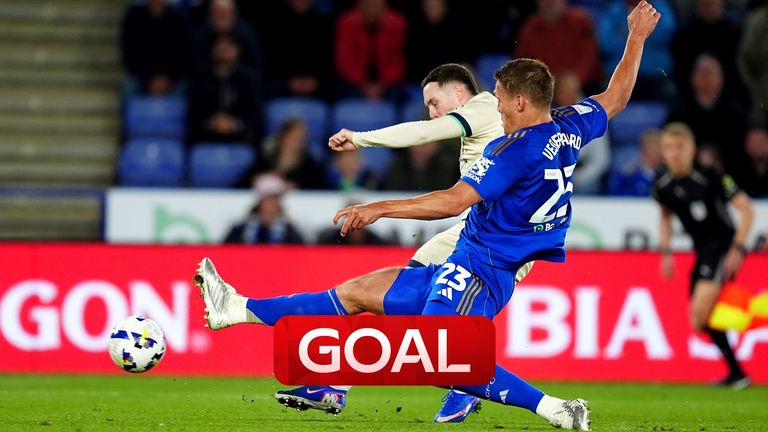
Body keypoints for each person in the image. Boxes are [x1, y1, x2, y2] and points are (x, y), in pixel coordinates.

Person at [195, 2, 660, 428]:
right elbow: (616, 97)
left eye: (499, 97)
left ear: (520, 101)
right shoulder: (569, 124)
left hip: (480, 265)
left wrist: (378, 206)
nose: (494, 104)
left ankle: (553, 408)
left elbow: (454, 200)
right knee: (359, 293)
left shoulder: (512, 151)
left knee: (440, 358)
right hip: (477, 252)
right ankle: (237, 309)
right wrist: (636, 39)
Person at [324, 62, 534, 421]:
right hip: (474, 227)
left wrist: (360, 138)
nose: (432, 111)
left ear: (457, 92)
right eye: (428, 106)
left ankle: (465, 384)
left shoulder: (482, 108)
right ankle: (336, 383)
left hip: (504, 238)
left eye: (434, 102)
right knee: (403, 292)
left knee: (442, 316)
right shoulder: (483, 124)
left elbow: (423, 134)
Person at [653, 122, 755, 388]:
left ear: (692, 149)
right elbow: (665, 215)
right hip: (702, 253)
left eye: (680, 147)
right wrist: (665, 252)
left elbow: (747, 210)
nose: (674, 153)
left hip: (722, 248)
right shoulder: (662, 182)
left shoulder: (711, 176)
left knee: (701, 313)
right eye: (669, 148)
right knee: (699, 320)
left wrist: (738, 248)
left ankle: (738, 372)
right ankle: (737, 374)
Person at [223, 194, 304, 244]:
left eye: (274, 203)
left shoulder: (289, 231)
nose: (270, 207)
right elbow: (227, 249)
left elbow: (300, 251)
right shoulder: (240, 229)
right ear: (259, 205)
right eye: (267, 202)